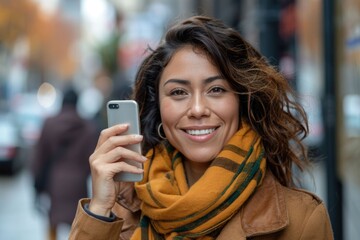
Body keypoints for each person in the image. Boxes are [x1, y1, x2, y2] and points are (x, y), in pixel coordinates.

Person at [69, 16, 333, 240]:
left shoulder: (301, 220)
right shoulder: (120, 211)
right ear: (159, 107)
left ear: (243, 100)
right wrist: (100, 209)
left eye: (216, 89)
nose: (197, 109)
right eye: (178, 92)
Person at [31, 87, 98, 240]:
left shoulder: (49, 123)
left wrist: (36, 185)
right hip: (78, 183)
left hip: (54, 183)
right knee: (77, 224)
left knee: (52, 223)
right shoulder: (88, 127)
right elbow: (93, 157)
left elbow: (39, 156)